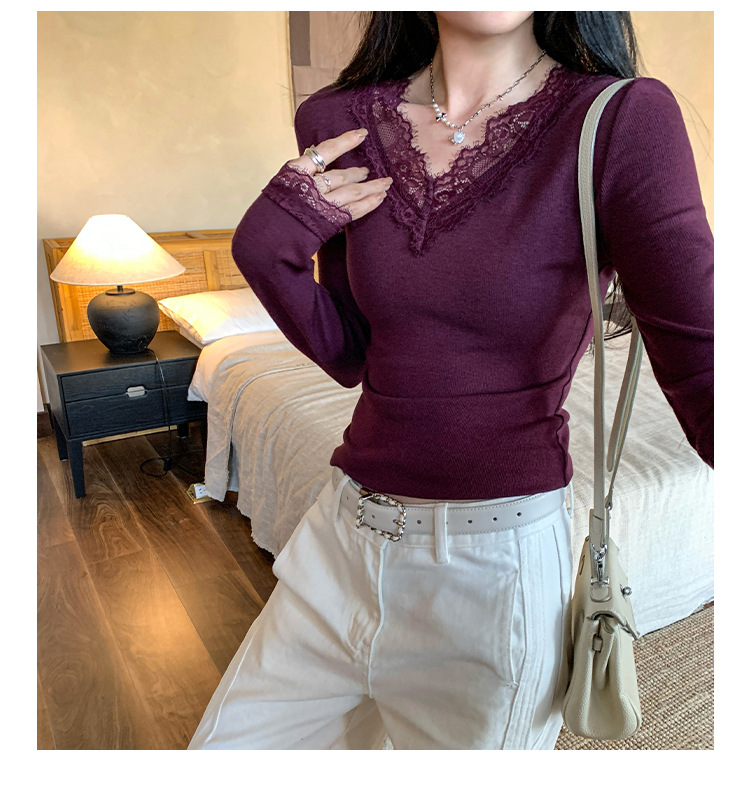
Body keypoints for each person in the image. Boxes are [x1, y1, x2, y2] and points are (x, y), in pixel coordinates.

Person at [188, 11, 713, 750]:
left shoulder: (619, 118)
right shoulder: (337, 118)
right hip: (340, 540)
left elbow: (706, 364)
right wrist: (264, 252)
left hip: (494, 578)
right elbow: (352, 354)